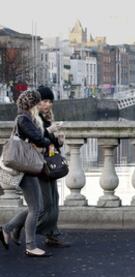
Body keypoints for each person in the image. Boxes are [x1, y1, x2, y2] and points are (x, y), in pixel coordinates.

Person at [0, 90, 52, 257]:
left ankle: (7, 229)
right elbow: (39, 138)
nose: (39, 105)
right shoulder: (24, 119)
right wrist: (47, 138)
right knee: (36, 208)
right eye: (37, 102)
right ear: (32, 104)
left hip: (25, 165)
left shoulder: (24, 117)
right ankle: (30, 246)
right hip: (25, 167)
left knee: (36, 207)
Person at [35, 86, 70, 247]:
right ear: (37, 102)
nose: (48, 105)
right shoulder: (33, 118)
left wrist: (59, 141)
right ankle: (13, 227)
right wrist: (50, 130)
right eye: (44, 101)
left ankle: (52, 235)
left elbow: (50, 143)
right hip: (38, 165)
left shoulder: (48, 118)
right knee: (45, 205)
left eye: (50, 101)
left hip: (49, 164)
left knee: (54, 200)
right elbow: (36, 138)